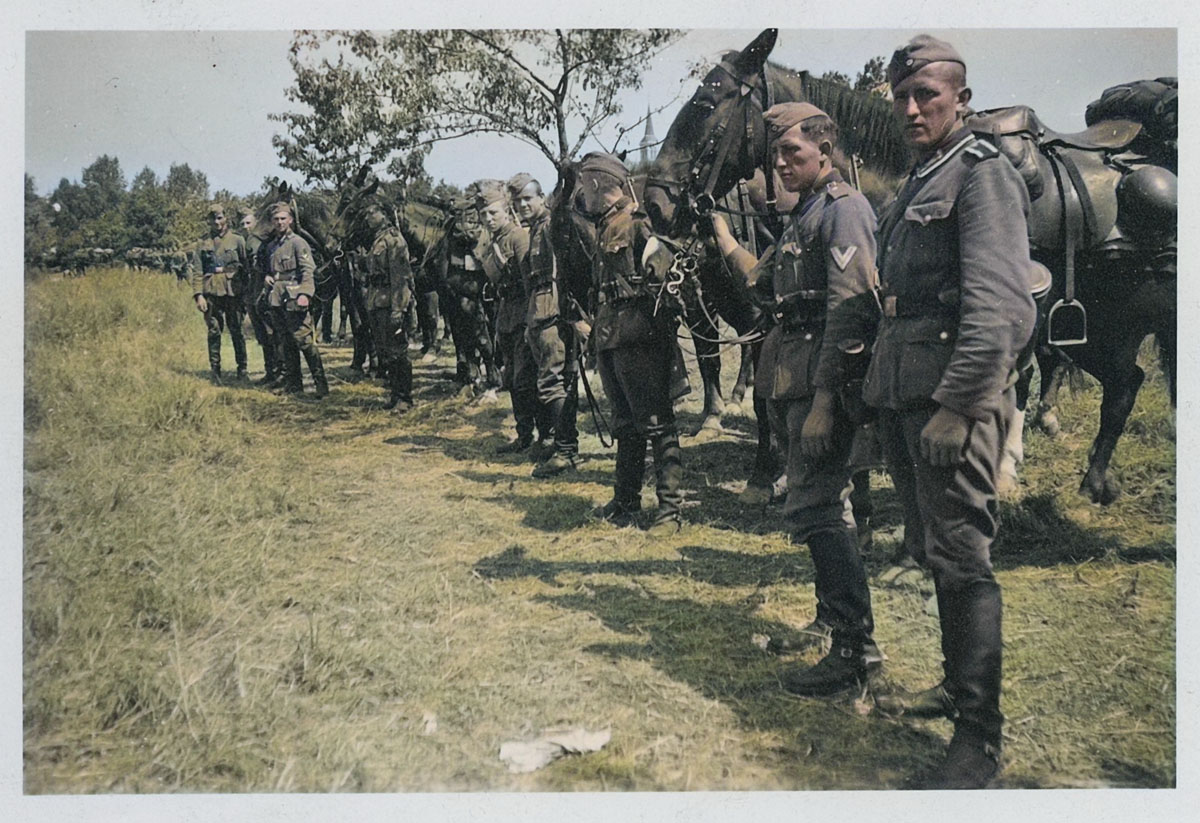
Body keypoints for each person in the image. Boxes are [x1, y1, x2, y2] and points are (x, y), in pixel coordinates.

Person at [863, 35, 1037, 789]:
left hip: (949, 402)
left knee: (963, 556)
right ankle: (956, 686)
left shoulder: (981, 174)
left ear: (960, 100)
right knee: (936, 548)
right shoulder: (919, 180)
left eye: (926, 95)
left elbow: (1000, 308)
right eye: (902, 97)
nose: (911, 109)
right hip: (907, 393)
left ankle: (979, 741)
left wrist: (961, 407)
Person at [710, 102, 882, 695]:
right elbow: (761, 282)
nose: (780, 165)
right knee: (824, 505)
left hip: (820, 388)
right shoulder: (804, 214)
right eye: (775, 154)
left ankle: (855, 651)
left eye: (793, 152)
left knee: (816, 507)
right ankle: (833, 622)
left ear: (825, 152)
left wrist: (826, 404)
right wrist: (724, 237)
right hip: (795, 383)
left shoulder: (844, 210)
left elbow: (850, 313)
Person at [578, 152, 685, 535]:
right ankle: (626, 501)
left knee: (656, 424)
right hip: (611, 337)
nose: (581, 193)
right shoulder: (604, 227)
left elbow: (666, 277)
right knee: (625, 425)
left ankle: (669, 511)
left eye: (584, 184)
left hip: (640, 338)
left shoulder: (638, 224)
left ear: (596, 183)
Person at [506, 173, 581, 476]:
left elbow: (564, 273)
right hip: (538, 312)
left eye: (528, 198)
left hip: (553, 312)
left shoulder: (551, 226)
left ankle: (565, 451)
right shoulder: (536, 229)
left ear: (541, 198)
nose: (522, 205)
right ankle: (554, 442)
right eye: (517, 201)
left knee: (553, 382)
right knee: (545, 381)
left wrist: (569, 316)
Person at [479, 182, 537, 430]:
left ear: (507, 212)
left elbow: (529, 281)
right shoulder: (492, 241)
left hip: (524, 313)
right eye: (484, 214)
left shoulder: (518, 237)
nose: (488, 219)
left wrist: (531, 320)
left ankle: (542, 434)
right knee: (511, 377)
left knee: (524, 378)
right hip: (505, 315)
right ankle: (524, 435)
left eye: (493, 213)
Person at [262, 201, 329, 398]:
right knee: (287, 342)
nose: (279, 222)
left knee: (304, 341)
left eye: (283, 218)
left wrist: (305, 294)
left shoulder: (299, 243)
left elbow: (308, 270)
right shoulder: (272, 246)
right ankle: (294, 385)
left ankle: (321, 385)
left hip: (295, 298)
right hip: (277, 298)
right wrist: (268, 278)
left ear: (290, 220)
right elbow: (272, 270)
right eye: (276, 219)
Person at [360, 199, 415, 411]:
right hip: (376, 301)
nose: (367, 218)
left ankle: (404, 398)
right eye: (366, 214)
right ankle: (395, 394)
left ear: (383, 214)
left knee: (397, 352)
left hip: (390, 303)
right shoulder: (377, 239)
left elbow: (400, 278)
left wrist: (398, 309)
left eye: (371, 213)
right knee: (385, 351)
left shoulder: (394, 240)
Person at [188, 204, 250, 383]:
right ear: (208, 221)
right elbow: (198, 271)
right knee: (214, 330)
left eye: (219, 218)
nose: (216, 222)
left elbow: (246, 269)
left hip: (233, 291)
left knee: (236, 330)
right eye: (212, 219)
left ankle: (242, 369)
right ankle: (215, 371)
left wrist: (246, 294)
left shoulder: (237, 240)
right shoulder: (202, 243)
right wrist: (199, 295)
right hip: (211, 292)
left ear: (225, 218)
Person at [237, 208, 279, 385]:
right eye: (242, 224)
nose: (246, 227)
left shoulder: (265, 244)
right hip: (251, 294)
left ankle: (279, 371)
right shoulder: (243, 243)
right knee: (261, 335)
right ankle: (270, 371)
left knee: (272, 333)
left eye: (249, 223)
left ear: (256, 224)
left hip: (264, 293)